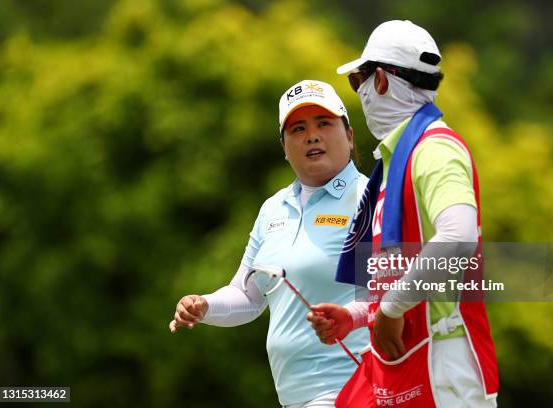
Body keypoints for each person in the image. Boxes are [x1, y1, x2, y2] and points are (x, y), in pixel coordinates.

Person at [307, 20, 499, 407]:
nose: (359, 92)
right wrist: (358, 315)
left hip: (444, 366)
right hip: (415, 363)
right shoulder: (398, 161)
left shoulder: (434, 149)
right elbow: (397, 277)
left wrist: (392, 308)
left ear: (380, 80)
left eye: (358, 79)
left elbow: (457, 239)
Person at [169, 79, 369, 407]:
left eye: (324, 123)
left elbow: (390, 295)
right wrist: (204, 305)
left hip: (351, 388)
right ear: (284, 147)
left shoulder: (370, 199)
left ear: (349, 135)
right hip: (293, 396)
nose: (312, 135)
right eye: (298, 128)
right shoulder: (273, 208)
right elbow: (248, 296)